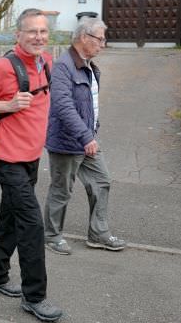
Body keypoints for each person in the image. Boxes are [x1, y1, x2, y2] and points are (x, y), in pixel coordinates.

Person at [0, 9, 63, 322]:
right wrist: (7, 105)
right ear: (17, 34)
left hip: (32, 157)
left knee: (9, 219)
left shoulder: (46, 61)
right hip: (8, 159)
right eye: (31, 31)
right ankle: (35, 296)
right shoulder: (3, 67)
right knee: (32, 224)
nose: (38, 37)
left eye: (43, 32)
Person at [43, 17, 126, 255]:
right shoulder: (63, 66)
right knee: (62, 190)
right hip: (68, 141)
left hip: (86, 139)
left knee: (102, 181)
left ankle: (98, 234)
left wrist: (91, 130)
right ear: (83, 38)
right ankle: (52, 236)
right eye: (100, 39)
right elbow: (62, 105)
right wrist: (85, 136)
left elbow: (89, 103)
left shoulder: (89, 66)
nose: (103, 44)